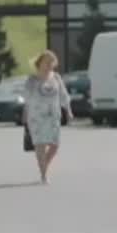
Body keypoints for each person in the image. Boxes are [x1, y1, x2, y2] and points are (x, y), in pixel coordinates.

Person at [22, 50, 74, 184]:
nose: (50, 65)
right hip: (36, 117)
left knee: (55, 145)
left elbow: (64, 95)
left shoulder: (56, 77)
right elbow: (26, 98)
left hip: (53, 116)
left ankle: (44, 164)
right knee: (40, 145)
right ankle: (44, 175)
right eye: (47, 62)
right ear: (40, 63)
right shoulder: (32, 79)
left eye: (52, 62)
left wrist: (68, 111)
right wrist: (25, 114)